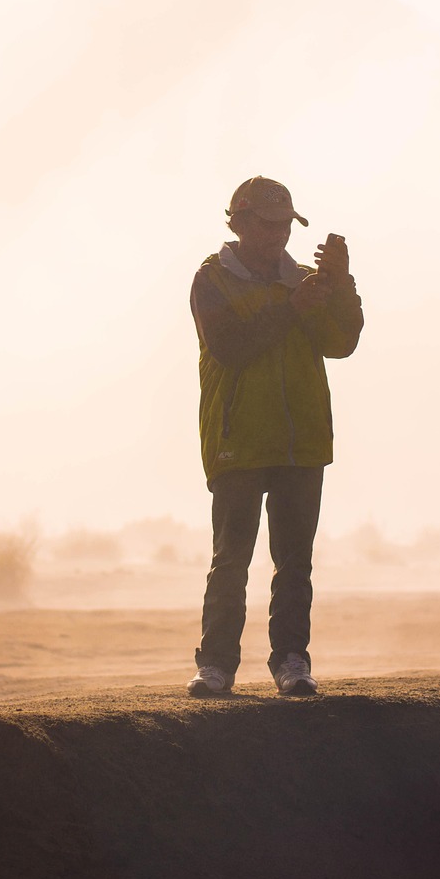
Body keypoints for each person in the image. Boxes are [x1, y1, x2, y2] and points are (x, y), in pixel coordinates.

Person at [187, 176, 364, 697]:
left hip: (301, 442)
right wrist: (293, 309)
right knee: (231, 559)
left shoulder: (307, 282)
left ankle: (291, 661)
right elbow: (230, 347)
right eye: (267, 225)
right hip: (237, 441)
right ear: (238, 222)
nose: (278, 235)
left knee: (294, 563)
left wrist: (342, 283)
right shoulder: (212, 280)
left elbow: (342, 342)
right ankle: (216, 665)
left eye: (285, 224)